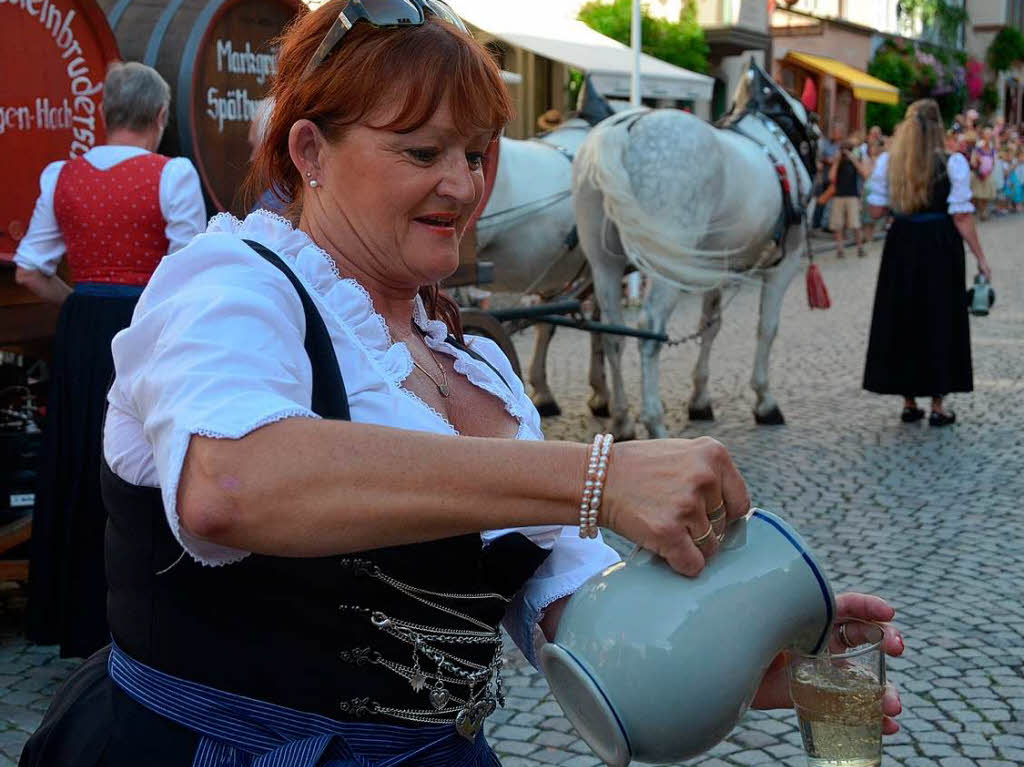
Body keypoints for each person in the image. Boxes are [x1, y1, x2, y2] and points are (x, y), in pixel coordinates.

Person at [21, 3, 903, 764]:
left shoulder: (474, 361)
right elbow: (231, 481)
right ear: (310, 150)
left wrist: (744, 655)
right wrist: (594, 477)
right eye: (422, 151)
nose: (463, 182)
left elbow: (585, 636)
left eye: (479, 153)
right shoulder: (231, 279)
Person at [15, 61, 205, 659]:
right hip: (145, 329)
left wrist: (79, 302)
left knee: (77, 460)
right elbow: (189, 273)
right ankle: (148, 607)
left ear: (104, 115)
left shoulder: (60, 176)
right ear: (158, 117)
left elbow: (29, 271)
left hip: (82, 328)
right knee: (144, 461)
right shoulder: (172, 174)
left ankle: (69, 610)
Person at [864, 99, 992, 427]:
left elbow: (877, 211)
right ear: (938, 126)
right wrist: (981, 257)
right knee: (939, 318)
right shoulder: (952, 163)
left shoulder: (891, 163)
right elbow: (962, 216)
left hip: (902, 245)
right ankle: (937, 404)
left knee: (903, 316)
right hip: (939, 246)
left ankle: (908, 402)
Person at [829, 138, 865, 258]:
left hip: (852, 196)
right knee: (838, 225)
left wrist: (852, 158)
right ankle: (840, 250)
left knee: (855, 224)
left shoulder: (854, 161)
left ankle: (860, 248)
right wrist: (837, 161)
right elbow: (831, 178)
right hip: (839, 196)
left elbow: (864, 173)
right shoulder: (838, 162)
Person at [859, 138, 885, 243]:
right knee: (866, 216)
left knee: (873, 217)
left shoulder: (882, 159)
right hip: (868, 189)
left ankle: (871, 236)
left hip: (876, 190)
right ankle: (866, 236)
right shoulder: (867, 160)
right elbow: (865, 174)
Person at [970, 126, 997, 220]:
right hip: (978, 173)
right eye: (987, 133)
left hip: (988, 173)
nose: (988, 135)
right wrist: (977, 162)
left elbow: (994, 160)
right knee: (976, 194)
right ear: (983, 135)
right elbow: (973, 160)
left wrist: (989, 169)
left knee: (985, 194)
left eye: (990, 134)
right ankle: (972, 212)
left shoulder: (992, 147)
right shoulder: (978, 146)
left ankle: (983, 212)